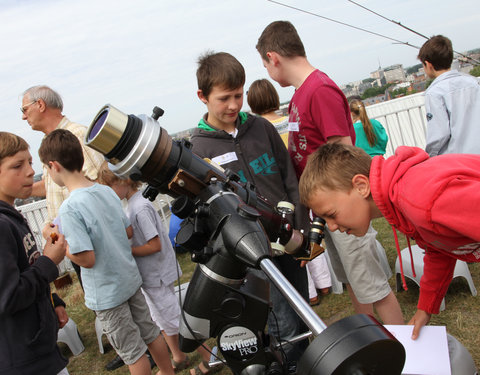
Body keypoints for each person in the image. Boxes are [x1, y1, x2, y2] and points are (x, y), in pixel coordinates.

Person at [256, 20, 404, 325]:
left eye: (265, 64)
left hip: (343, 206)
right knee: (354, 282)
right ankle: (368, 340)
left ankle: (405, 354)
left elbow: (343, 156)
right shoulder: (298, 95)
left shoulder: (319, 90)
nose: (268, 72)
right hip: (327, 212)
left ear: (273, 57)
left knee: (373, 287)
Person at [190, 51, 310, 368]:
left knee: (302, 306)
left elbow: (289, 178)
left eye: (239, 95)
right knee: (277, 317)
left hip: (288, 238)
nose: (233, 105)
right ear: (202, 96)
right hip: (249, 251)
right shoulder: (199, 149)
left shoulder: (261, 128)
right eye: (224, 98)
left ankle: (306, 357)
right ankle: (288, 365)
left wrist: (300, 226)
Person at [298, 142, 480, 340]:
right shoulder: (404, 203)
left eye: (331, 214)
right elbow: (440, 246)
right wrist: (425, 309)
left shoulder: (421, 200)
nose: (331, 227)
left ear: (361, 186)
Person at [38, 129, 174, 375]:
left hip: (107, 293)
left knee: (133, 352)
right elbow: (128, 232)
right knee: (151, 333)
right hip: (130, 280)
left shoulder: (70, 208)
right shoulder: (105, 192)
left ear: (53, 166)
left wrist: (58, 240)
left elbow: (87, 259)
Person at [98, 164, 221, 375]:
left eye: (109, 187)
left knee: (175, 318)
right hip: (150, 276)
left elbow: (154, 245)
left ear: (124, 180)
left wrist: (127, 250)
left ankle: (210, 358)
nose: (108, 193)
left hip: (157, 275)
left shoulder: (140, 208)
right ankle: (178, 355)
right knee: (160, 317)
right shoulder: (132, 206)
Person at [247, 78, 332, 306]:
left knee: (294, 244)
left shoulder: (258, 131)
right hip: (307, 183)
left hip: (285, 192)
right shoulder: (289, 121)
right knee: (312, 235)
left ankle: (310, 293)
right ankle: (325, 282)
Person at [21, 85, 104, 287]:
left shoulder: (77, 135)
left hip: (92, 244)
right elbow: (54, 185)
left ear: (40, 104)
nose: (23, 117)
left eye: (24, 110)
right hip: (78, 243)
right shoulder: (52, 142)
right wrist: (20, 189)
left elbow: (101, 183)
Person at [0, 132, 69, 375]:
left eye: (29, 162)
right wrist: (49, 261)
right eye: (17, 165)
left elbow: (26, 270)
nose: (30, 171)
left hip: (39, 349)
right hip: (25, 360)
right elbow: (7, 296)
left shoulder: (12, 216)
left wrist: (53, 301)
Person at [418, 35, 480, 156]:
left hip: (460, 162)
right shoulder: (473, 83)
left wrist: (430, 157)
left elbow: (439, 135)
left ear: (428, 64)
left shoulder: (435, 93)